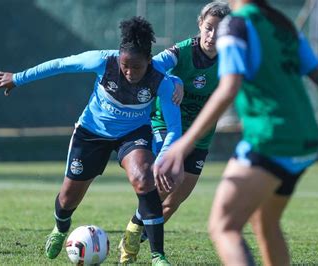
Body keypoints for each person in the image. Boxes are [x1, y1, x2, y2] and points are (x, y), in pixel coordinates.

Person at [153, 0, 318, 265]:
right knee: (267, 223)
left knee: (223, 226)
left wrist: (184, 144)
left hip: (270, 136)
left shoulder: (236, 25)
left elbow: (229, 88)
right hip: (305, 139)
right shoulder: (284, 26)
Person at [0, 17, 181, 265]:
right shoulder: (102, 60)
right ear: (118, 58)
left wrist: (163, 158)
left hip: (132, 135)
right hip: (91, 133)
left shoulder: (161, 81)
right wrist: (18, 78)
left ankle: (158, 255)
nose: (130, 72)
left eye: (137, 67)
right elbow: (60, 64)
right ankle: (60, 228)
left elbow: (174, 129)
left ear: (148, 61)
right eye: (125, 66)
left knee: (145, 180)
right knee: (68, 198)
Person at [117, 2, 230, 264]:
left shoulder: (230, 59)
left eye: (220, 31)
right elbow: (153, 65)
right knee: (171, 178)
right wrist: (174, 80)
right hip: (167, 126)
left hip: (201, 135)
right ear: (200, 25)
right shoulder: (182, 51)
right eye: (209, 28)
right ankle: (138, 232)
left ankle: (138, 229)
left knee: (176, 199)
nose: (213, 36)